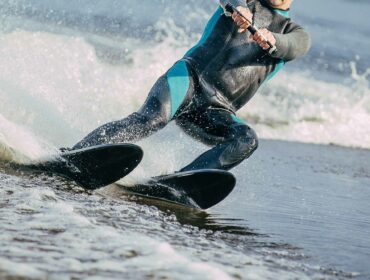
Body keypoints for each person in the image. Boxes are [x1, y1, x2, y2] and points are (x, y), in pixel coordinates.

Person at [71, 0, 310, 172]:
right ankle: (73, 155)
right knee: (150, 119)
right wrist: (238, 8)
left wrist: (272, 40)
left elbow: (294, 45)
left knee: (246, 140)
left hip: (216, 111)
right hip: (187, 79)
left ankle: (178, 183)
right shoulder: (245, 1)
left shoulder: (295, 33)